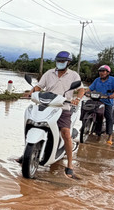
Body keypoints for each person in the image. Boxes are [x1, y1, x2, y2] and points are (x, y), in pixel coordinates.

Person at [29, 50, 85, 179]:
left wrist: (77, 99)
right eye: (58, 60)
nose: (60, 63)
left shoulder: (74, 75)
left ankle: (70, 166)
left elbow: (81, 89)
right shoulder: (49, 73)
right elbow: (39, 86)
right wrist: (31, 92)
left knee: (65, 132)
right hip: (45, 105)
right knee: (34, 124)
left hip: (63, 107)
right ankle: (28, 152)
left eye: (62, 61)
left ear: (68, 62)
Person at [89, 65, 114, 145]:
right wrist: (86, 92)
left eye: (103, 71)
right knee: (90, 110)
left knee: (109, 117)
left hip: (107, 102)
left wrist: (113, 95)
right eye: (100, 71)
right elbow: (90, 88)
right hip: (97, 100)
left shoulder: (112, 80)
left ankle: (110, 136)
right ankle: (91, 128)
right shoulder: (97, 80)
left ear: (108, 72)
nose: (101, 73)